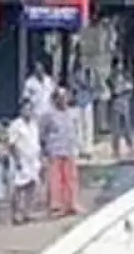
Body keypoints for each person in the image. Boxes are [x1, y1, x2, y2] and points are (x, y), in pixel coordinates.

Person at [39, 89, 80, 217]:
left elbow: (74, 131)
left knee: (71, 178)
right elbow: (42, 133)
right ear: (55, 100)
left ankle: (71, 203)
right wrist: (44, 150)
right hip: (55, 151)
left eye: (65, 97)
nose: (63, 100)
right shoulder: (49, 115)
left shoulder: (71, 113)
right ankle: (56, 206)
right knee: (56, 179)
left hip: (69, 150)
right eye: (60, 98)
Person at [6, 110, 43, 223]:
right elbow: (11, 144)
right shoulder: (16, 125)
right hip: (21, 159)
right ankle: (16, 214)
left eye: (30, 109)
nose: (28, 112)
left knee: (31, 186)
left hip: (33, 160)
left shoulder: (34, 124)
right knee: (18, 187)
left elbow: (36, 141)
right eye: (26, 109)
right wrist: (17, 161)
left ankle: (27, 212)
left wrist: (40, 158)